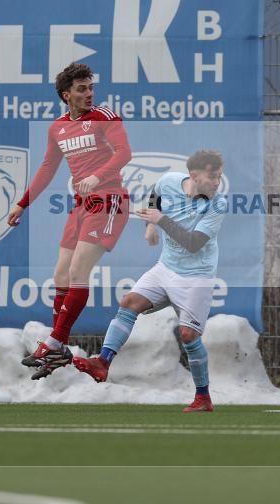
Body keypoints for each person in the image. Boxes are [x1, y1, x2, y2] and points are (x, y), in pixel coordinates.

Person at [73, 150, 226, 412]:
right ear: (194, 176)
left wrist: (160, 221)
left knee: (188, 335)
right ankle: (103, 362)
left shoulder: (217, 204)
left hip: (196, 276)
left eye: (220, 177)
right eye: (212, 177)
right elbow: (155, 194)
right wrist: (151, 226)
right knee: (129, 301)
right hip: (166, 267)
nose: (216, 183)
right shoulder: (170, 182)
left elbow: (193, 244)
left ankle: (203, 397)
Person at [7, 63, 132, 380]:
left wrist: (96, 175)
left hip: (108, 200)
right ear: (66, 95)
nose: (89, 94)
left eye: (90, 87)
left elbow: (124, 153)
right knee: (61, 274)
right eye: (81, 89)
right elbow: (47, 169)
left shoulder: (105, 117)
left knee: (78, 271)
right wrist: (22, 204)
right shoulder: (58, 128)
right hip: (81, 206)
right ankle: (59, 348)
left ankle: (55, 342)